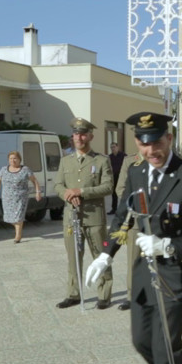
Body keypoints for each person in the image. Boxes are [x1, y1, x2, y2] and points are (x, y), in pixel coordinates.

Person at [85, 112, 182, 364]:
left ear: (169, 138)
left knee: (166, 345)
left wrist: (168, 245)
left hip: (178, 272)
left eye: (157, 142)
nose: (151, 150)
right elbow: (123, 215)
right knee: (142, 341)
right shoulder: (136, 171)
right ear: (136, 143)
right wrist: (106, 253)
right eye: (144, 144)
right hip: (144, 269)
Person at [53, 118, 114, 310]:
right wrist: (67, 195)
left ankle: (104, 294)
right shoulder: (65, 161)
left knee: (100, 255)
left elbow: (108, 187)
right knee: (73, 257)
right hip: (71, 217)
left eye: (83, 134)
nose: (79, 137)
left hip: (94, 217)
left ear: (90, 136)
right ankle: (73, 294)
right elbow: (58, 185)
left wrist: (81, 192)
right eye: (76, 134)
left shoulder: (101, 160)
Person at [113, 151, 144, 311]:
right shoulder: (129, 161)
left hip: (160, 220)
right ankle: (132, 296)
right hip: (136, 219)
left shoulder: (164, 157)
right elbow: (121, 188)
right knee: (134, 260)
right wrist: (135, 203)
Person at [0, 151, 42, 243]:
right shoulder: (3, 169)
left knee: (18, 216)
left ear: (19, 159)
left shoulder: (25, 169)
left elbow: (34, 181)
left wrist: (38, 192)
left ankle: (18, 236)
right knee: (8, 217)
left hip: (21, 197)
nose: (13, 160)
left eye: (15, 158)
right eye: (11, 158)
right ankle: (18, 229)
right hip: (7, 197)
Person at [108, 142, 126, 214]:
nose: (113, 148)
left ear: (117, 147)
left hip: (121, 177)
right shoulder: (110, 157)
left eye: (114, 147)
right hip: (114, 177)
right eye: (111, 147)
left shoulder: (123, 156)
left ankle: (124, 209)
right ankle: (114, 209)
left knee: (122, 192)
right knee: (114, 193)